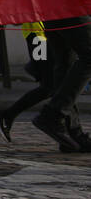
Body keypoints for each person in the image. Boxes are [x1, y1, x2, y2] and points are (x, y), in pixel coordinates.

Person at [30, 16, 91, 152]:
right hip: (70, 7)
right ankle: (53, 114)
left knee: (64, 63)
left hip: (52, 10)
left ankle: (72, 134)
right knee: (87, 57)